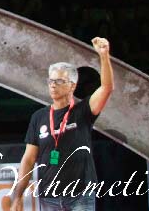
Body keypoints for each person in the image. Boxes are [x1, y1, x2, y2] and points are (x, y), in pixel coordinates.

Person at [9, 37, 114, 211]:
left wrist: (104, 55)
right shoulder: (39, 117)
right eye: (51, 81)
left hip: (80, 195)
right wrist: (18, 196)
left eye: (59, 81)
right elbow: (28, 159)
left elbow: (107, 88)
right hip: (49, 196)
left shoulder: (83, 111)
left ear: (72, 85)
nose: (53, 85)